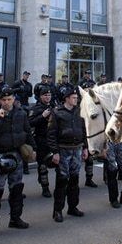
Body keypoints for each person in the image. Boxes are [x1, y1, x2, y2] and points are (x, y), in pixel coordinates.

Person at [0, 86, 36, 239]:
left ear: (14, 99)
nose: (7, 102)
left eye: (9, 99)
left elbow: (27, 131)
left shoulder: (21, 113)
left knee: (17, 189)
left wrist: (34, 149)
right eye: (4, 99)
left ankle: (15, 218)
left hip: (17, 154)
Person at [46, 84, 88, 222]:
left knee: (75, 180)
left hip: (77, 149)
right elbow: (51, 134)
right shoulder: (57, 112)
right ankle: (57, 210)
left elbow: (84, 130)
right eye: (74, 98)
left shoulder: (79, 111)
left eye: (77, 97)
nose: (76, 100)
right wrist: (55, 152)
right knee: (62, 181)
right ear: (66, 98)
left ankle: (73, 207)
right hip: (63, 150)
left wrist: (86, 148)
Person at [28, 85, 54, 198]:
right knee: (42, 165)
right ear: (40, 96)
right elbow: (30, 122)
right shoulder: (36, 108)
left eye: (49, 95)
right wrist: (43, 116)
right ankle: (45, 188)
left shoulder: (54, 106)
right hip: (41, 139)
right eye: (45, 95)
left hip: (53, 139)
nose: (47, 97)